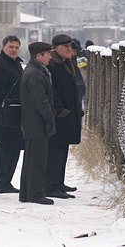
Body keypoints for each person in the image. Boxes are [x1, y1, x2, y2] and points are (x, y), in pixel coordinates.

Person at [46, 34, 83, 199]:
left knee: (63, 150)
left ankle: (58, 183)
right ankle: (51, 185)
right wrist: (62, 110)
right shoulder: (53, 65)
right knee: (55, 150)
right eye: (66, 46)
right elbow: (52, 92)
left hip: (67, 115)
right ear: (57, 48)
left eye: (70, 46)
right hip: (59, 116)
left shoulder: (65, 63)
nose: (70, 49)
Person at [19, 42, 55, 205]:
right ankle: (35, 193)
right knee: (37, 159)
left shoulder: (35, 70)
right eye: (47, 53)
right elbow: (39, 100)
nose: (50, 56)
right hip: (36, 122)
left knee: (32, 158)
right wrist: (49, 118)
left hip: (33, 122)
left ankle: (27, 192)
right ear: (38, 56)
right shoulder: (35, 73)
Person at [0, 35, 25, 194]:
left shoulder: (16, 64)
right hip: (3, 115)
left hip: (16, 114)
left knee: (15, 148)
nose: (14, 50)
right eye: (11, 47)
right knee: (5, 150)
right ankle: (2, 183)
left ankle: (6, 182)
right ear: (3, 47)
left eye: (16, 47)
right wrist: (9, 104)